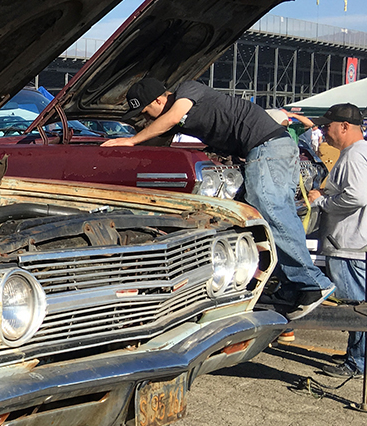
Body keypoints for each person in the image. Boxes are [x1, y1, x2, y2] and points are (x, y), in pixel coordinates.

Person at [103, 76, 334, 319]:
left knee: (271, 211)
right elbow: (159, 143)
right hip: (274, 148)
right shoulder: (179, 118)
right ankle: (292, 287)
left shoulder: (188, 89)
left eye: (146, 110)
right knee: (276, 216)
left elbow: (169, 118)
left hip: (267, 147)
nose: (147, 117)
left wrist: (130, 140)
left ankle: (313, 283)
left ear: (159, 99)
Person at [306, 103, 367, 378]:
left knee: (355, 308)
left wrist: (323, 202)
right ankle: (357, 355)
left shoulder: (354, 156)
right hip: (354, 242)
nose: (324, 131)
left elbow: (356, 196)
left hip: (349, 245)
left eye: (327, 126)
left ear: (344, 127)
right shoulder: (359, 153)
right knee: (359, 305)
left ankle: (357, 362)